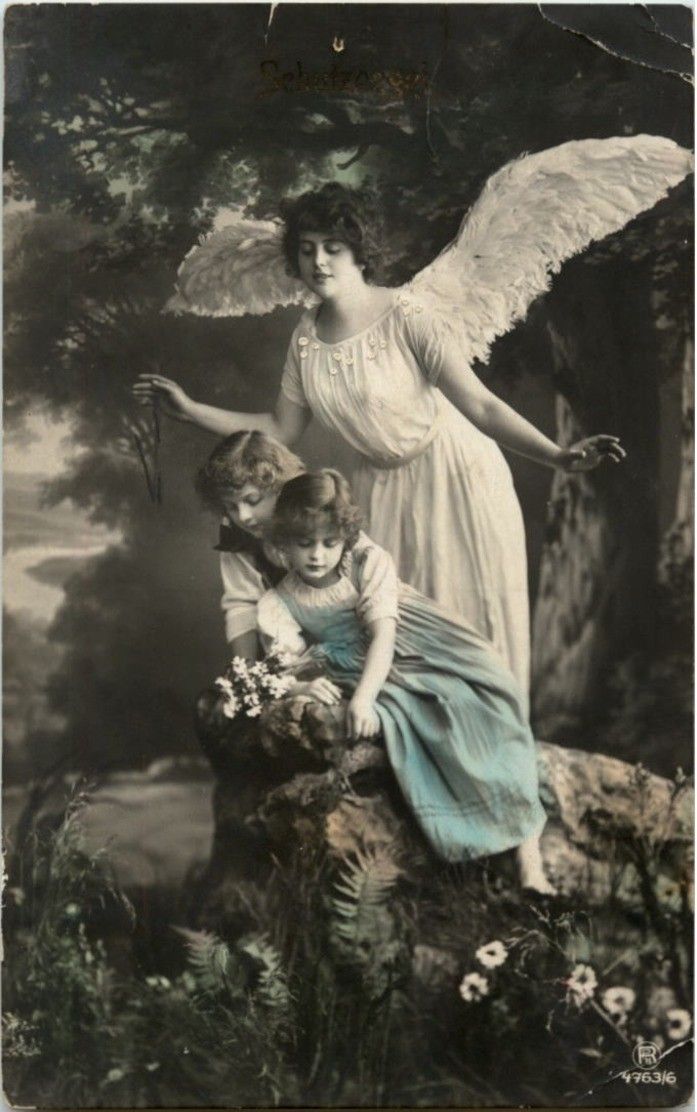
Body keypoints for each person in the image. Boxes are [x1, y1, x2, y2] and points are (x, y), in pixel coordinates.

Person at [135, 184, 625, 701]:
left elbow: (481, 406)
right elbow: (280, 428)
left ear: (359, 251)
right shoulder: (306, 339)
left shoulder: (408, 315)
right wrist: (191, 411)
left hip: (455, 475)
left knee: (467, 623)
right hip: (382, 489)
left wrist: (557, 456)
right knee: (391, 632)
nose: (319, 262)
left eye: (333, 248)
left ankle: (490, 733)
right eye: (307, 250)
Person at [256, 468, 553, 893]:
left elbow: (384, 634)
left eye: (329, 542)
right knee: (429, 721)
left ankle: (529, 855)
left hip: (419, 642)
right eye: (305, 544)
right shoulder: (279, 601)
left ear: (345, 537)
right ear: (284, 543)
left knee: (489, 700)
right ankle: (470, 856)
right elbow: (279, 668)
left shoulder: (365, 560)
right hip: (359, 665)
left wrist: (364, 699)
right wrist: (302, 687)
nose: (318, 555)